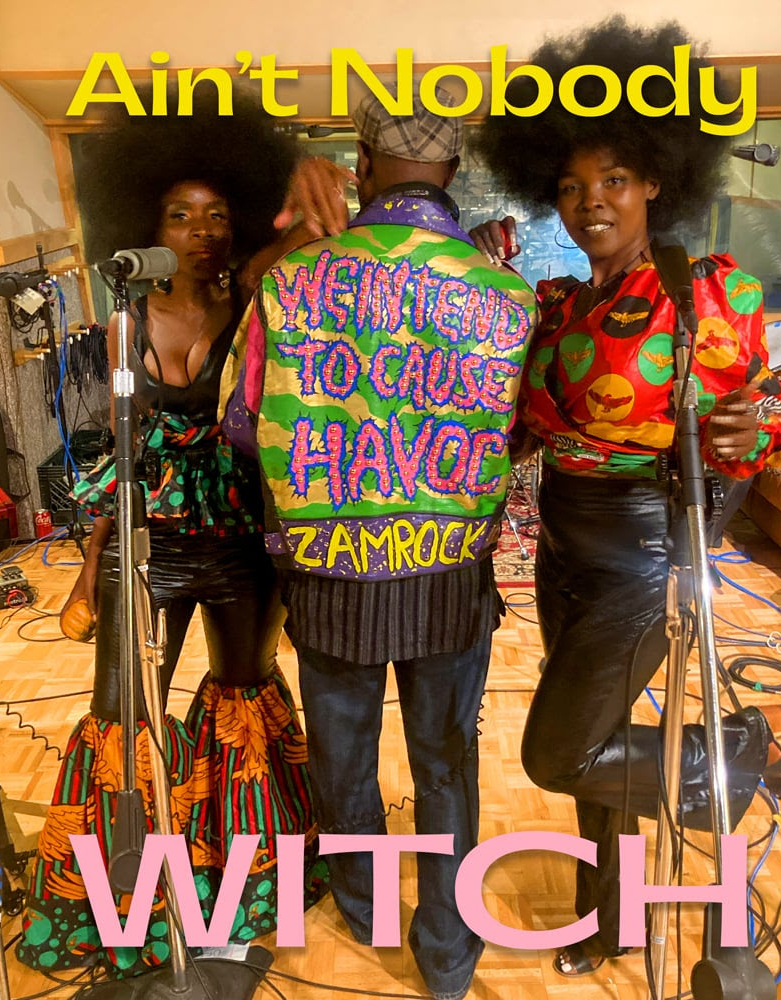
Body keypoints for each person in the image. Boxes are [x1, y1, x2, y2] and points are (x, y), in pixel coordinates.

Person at [469, 17, 781, 978]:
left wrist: (748, 425)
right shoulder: (557, 304)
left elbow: (774, 416)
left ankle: (736, 760)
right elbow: (519, 425)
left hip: (647, 550)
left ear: (657, 179)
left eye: (613, 179)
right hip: (561, 546)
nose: (591, 203)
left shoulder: (701, 292)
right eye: (572, 187)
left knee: (556, 752)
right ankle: (609, 916)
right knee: (599, 739)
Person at [219, 89, 537, 1000]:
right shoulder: (508, 296)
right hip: (448, 581)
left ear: (362, 167)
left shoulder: (291, 282)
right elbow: (521, 432)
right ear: (455, 172)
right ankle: (447, 959)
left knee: (345, 759)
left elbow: (240, 424)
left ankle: (364, 912)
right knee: (446, 764)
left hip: (330, 582)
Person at [18, 95, 332, 975]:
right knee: (124, 717)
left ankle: (241, 886)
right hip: (144, 547)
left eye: (217, 215)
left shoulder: (258, 299)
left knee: (243, 702)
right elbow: (117, 466)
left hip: (238, 547)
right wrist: (90, 572)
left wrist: (309, 174)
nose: (200, 233)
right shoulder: (118, 325)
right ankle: (128, 892)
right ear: (147, 226)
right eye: (180, 216)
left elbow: (311, 233)